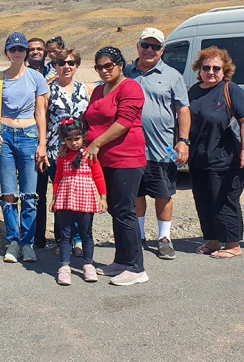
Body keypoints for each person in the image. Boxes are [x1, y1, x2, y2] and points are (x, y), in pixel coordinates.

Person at [84, 46, 148, 286]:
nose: (103, 71)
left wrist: (96, 144)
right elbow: (87, 118)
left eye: (108, 66)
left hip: (126, 159)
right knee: (115, 210)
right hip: (104, 160)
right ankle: (121, 260)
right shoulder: (100, 90)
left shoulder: (131, 87)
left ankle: (136, 267)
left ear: (120, 65)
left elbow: (124, 122)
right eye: (99, 67)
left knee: (125, 211)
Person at [126, 28, 190, 261]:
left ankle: (164, 238)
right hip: (130, 147)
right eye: (146, 45)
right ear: (138, 46)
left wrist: (183, 141)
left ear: (162, 50)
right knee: (136, 194)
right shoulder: (125, 72)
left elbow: (183, 109)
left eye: (155, 47)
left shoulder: (173, 75)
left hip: (162, 146)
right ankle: (139, 235)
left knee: (163, 193)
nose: (149, 50)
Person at [0, 32, 49, 263]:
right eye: (13, 49)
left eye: (21, 49)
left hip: (29, 135)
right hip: (5, 138)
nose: (17, 53)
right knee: (9, 193)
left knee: (30, 194)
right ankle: (13, 241)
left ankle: (28, 243)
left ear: (25, 52)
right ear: (6, 52)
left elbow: (41, 112)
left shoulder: (36, 78)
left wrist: (42, 143)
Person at [187, 46, 244, 259]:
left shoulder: (231, 89)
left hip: (226, 159)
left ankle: (233, 244)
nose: (211, 72)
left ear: (225, 70)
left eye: (216, 68)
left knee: (224, 200)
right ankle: (213, 240)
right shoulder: (194, 91)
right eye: (206, 67)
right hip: (198, 158)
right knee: (203, 200)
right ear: (199, 69)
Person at [40, 47, 95, 252]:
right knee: (62, 196)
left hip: (81, 150)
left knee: (81, 194)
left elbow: (91, 117)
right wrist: (42, 146)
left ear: (77, 66)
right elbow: (42, 119)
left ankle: (81, 238)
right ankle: (63, 239)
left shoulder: (85, 89)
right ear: (54, 66)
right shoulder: (47, 91)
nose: (66, 67)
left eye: (71, 63)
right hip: (57, 150)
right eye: (61, 63)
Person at [51, 118, 107, 285]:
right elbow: (58, 177)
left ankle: (88, 264)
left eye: (77, 139)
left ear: (83, 137)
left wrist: (103, 197)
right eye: (69, 140)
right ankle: (65, 266)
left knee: (86, 233)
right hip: (65, 198)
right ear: (64, 140)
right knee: (65, 234)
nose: (73, 143)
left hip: (85, 199)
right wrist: (54, 198)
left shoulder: (89, 154)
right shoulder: (62, 156)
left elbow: (98, 175)